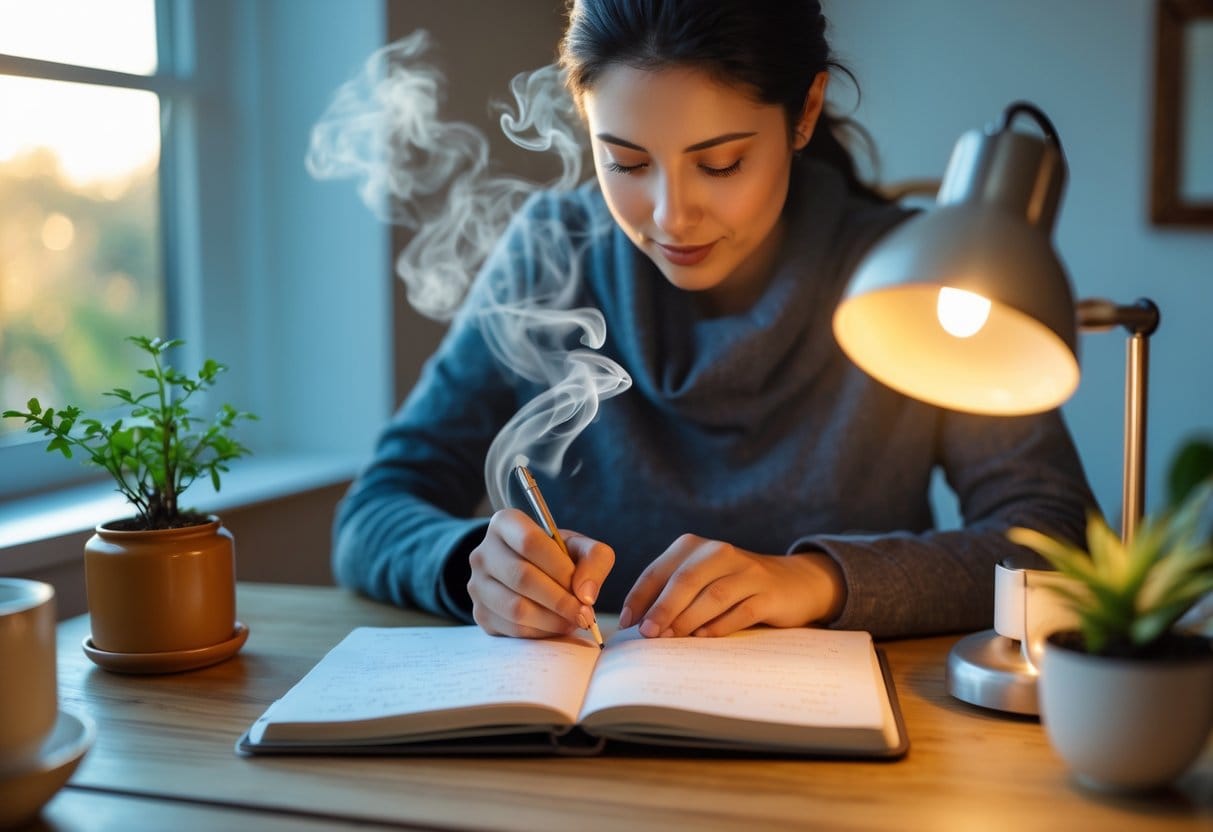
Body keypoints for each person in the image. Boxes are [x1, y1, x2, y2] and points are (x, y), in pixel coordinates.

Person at [332, 0, 1095, 641]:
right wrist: (470, 565)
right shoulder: (549, 252)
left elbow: (1055, 539)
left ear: (804, 113)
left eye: (721, 163)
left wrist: (817, 581)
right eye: (626, 163)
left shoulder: (917, 287)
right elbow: (373, 512)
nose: (670, 217)